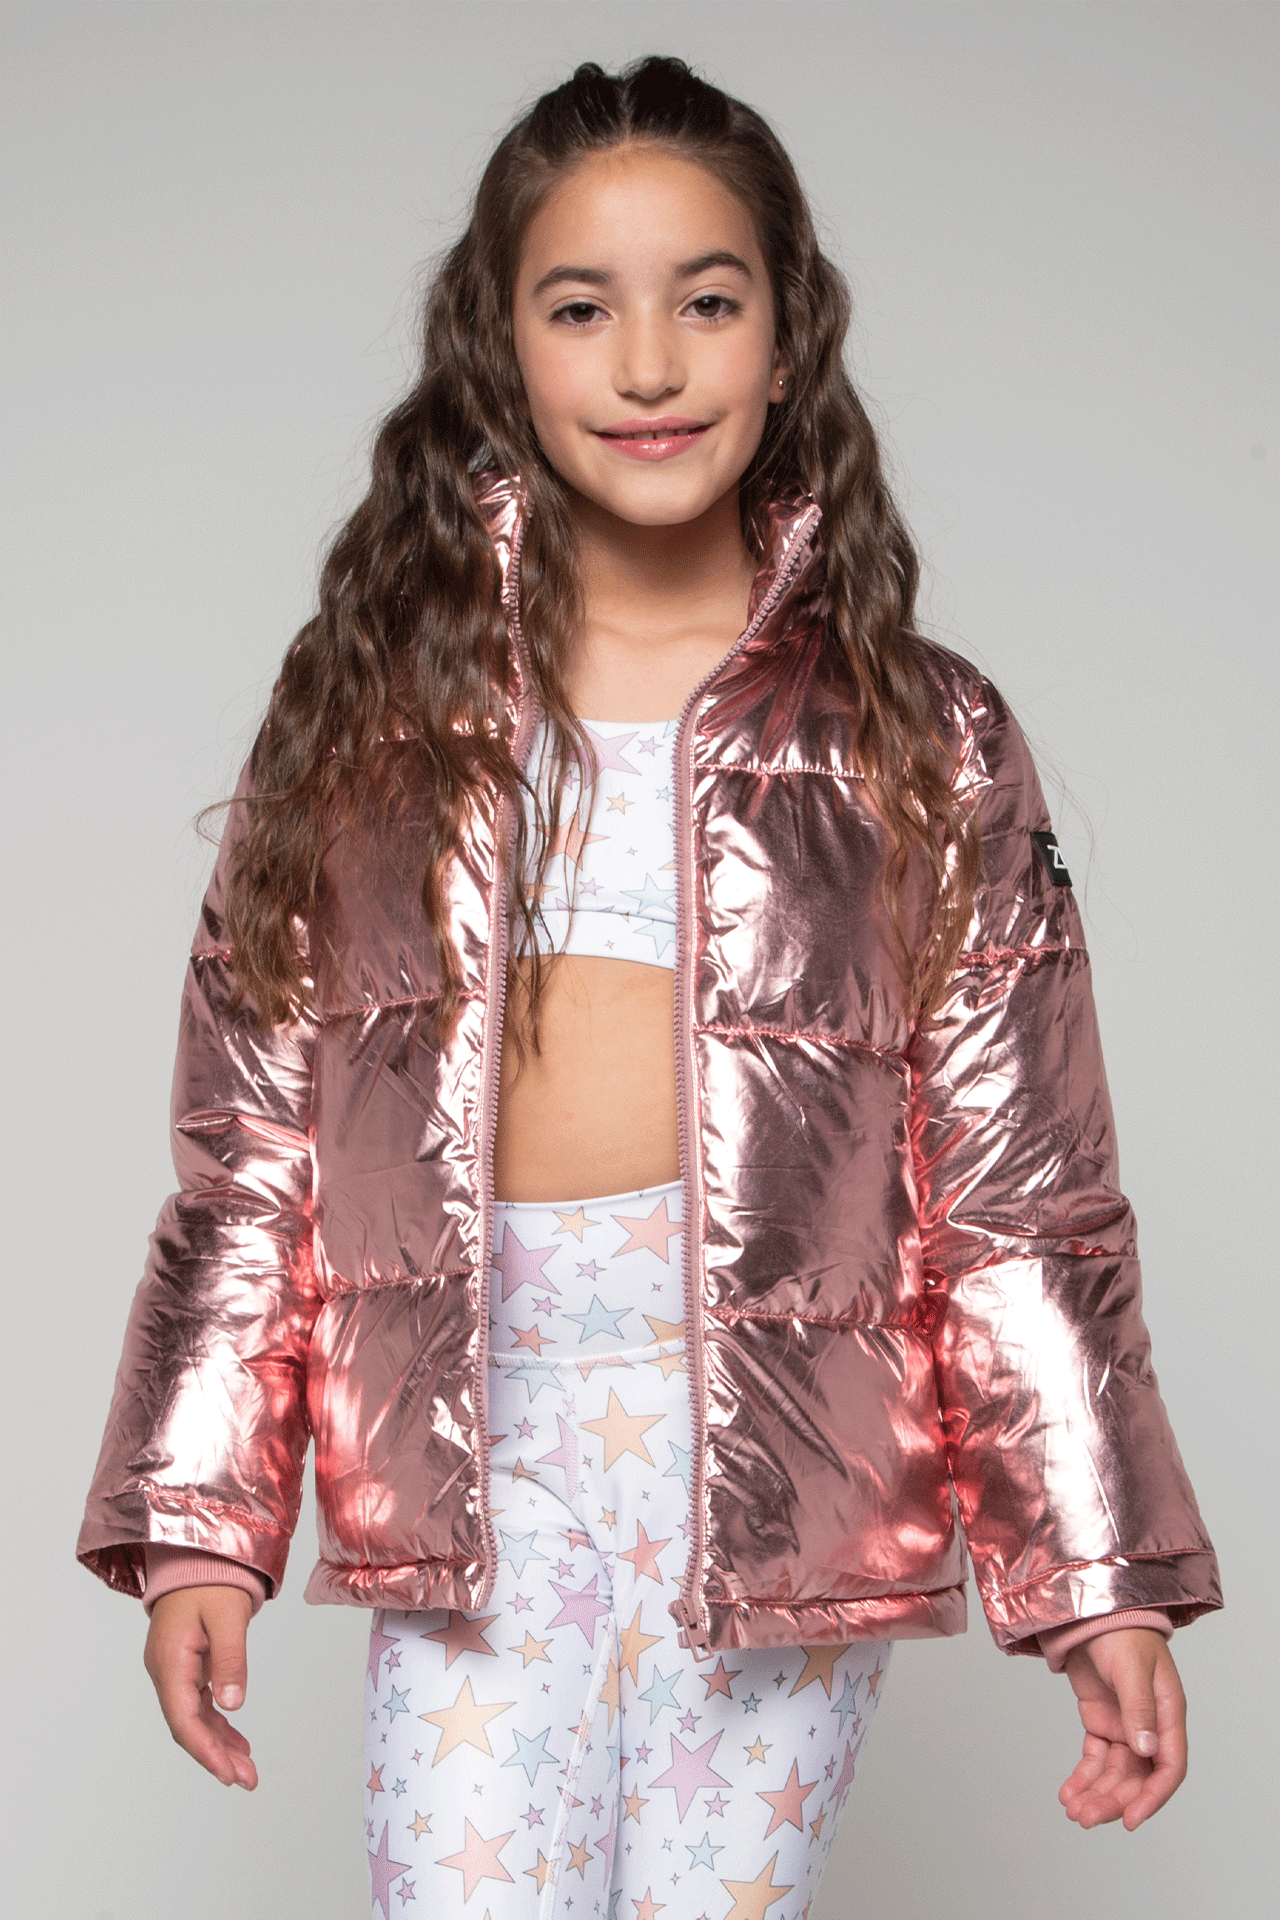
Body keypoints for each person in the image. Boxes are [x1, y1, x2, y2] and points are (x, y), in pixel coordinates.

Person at [77, 55, 1220, 1920]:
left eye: (706, 300)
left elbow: (1021, 1198)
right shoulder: (373, 716)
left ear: (786, 337)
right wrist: (205, 1520)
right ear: (499, 346)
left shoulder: (917, 735)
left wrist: (1096, 1580)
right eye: (579, 307)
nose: (649, 363)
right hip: (475, 1476)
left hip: (770, 1480)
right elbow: (254, 1154)